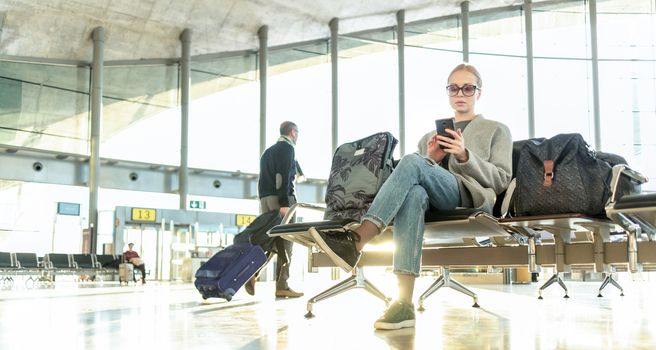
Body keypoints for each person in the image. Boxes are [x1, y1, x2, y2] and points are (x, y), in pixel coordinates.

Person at [309, 63, 512, 330]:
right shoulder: (431, 136)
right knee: (414, 193)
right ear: (448, 92)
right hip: (432, 197)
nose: (460, 93)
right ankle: (403, 304)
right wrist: (432, 159)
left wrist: (465, 156)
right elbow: (414, 177)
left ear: (478, 93)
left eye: (468, 88)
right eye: (453, 88)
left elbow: (501, 180)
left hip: (468, 195)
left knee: (411, 161)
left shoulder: (496, 129)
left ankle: (359, 237)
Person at [245, 121, 304, 298]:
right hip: (282, 200)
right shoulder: (287, 148)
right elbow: (283, 177)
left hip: (265, 199)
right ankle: (282, 285)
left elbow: (263, 180)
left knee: (271, 241)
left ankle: (252, 272)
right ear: (293, 132)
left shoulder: (267, 152)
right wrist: (285, 203)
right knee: (286, 242)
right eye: (298, 132)